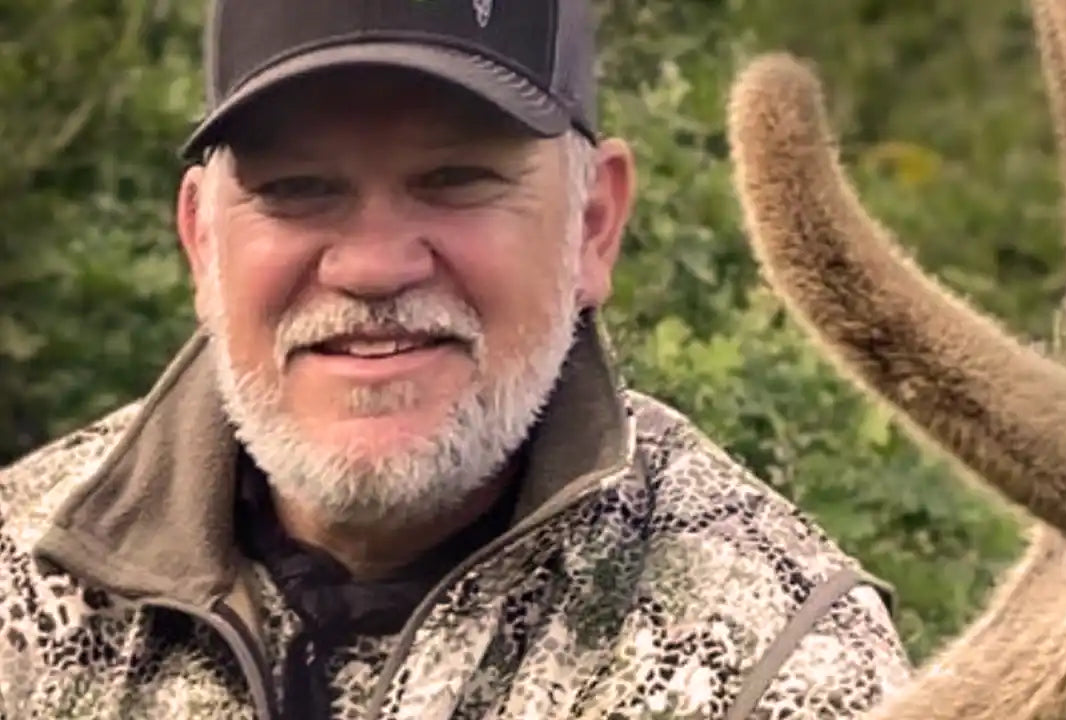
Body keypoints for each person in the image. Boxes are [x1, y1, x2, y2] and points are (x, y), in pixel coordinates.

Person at [0, 1, 911, 718]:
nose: (373, 266)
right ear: (202, 239)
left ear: (594, 225)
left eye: (457, 181)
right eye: (296, 191)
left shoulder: (777, 659)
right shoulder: (24, 583)